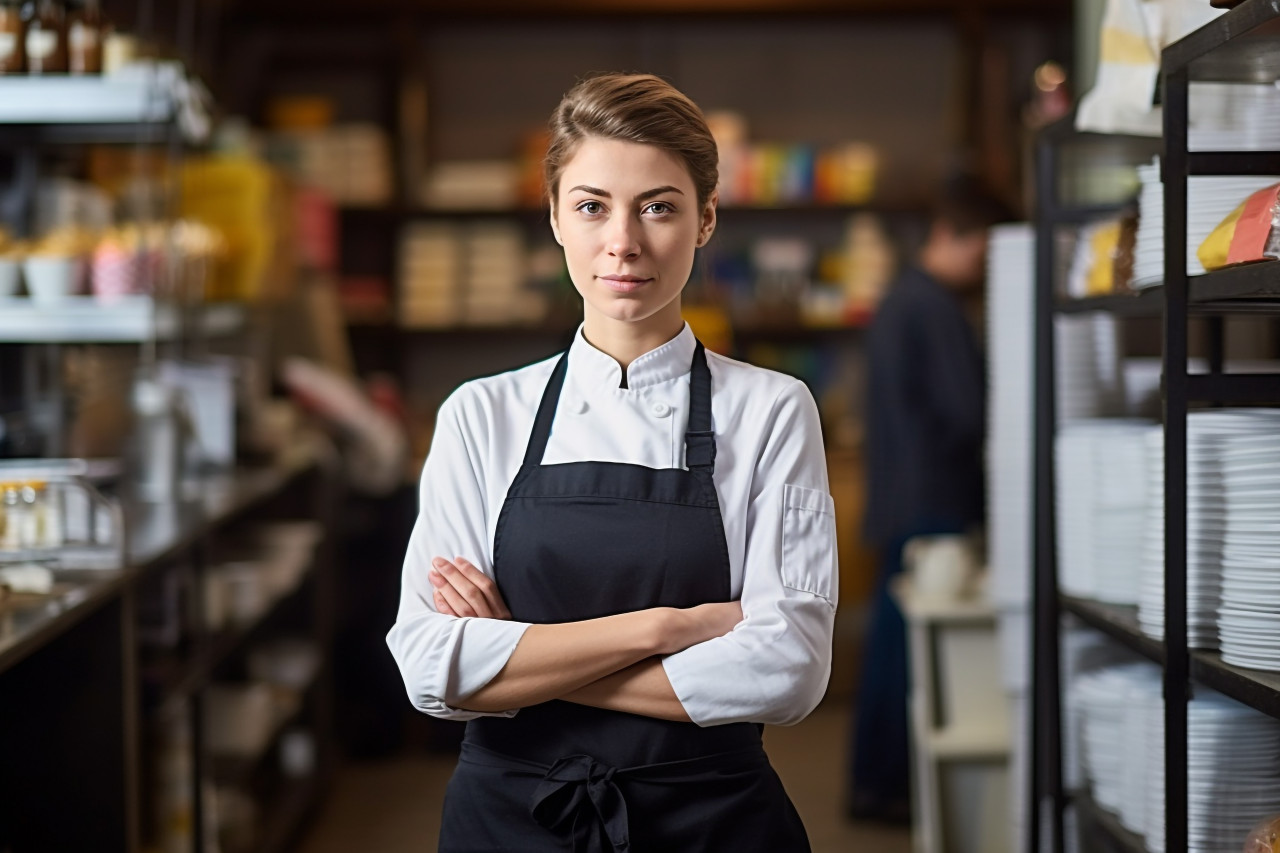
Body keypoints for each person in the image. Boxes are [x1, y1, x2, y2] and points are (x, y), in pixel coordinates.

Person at [386, 73, 838, 853]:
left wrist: (519, 657)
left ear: (705, 220)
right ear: (556, 218)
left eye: (658, 206)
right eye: (592, 206)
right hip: (508, 822)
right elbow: (430, 667)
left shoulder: (770, 409)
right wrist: (671, 626)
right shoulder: (481, 414)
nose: (623, 242)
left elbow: (789, 669)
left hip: (712, 821)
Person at [847, 181, 1008, 822]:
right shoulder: (933, 306)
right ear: (951, 235)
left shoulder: (899, 301)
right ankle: (887, 789)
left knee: (894, 649)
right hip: (932, 502)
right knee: (910, 657)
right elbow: (968, 411)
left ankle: (875, 785)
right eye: (984, 250)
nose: (985, 266)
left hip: (901, 500)